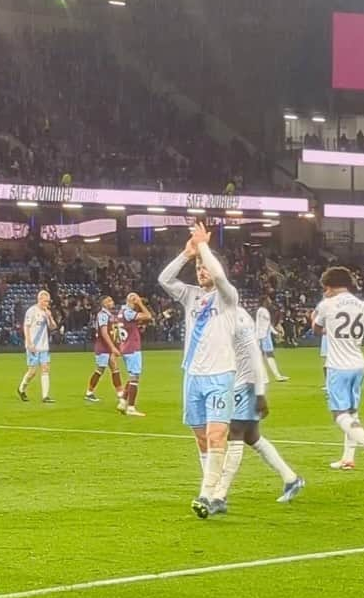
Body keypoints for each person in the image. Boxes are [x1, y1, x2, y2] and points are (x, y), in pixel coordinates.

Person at [158, 222, 238, 518]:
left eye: (205, 268)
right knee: (202, 438)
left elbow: (218, 274)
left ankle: (207, 494)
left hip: (220, 375)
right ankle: (217, 493)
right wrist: (186, 254)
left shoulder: (228, 296)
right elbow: (164, 279)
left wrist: (203, 246)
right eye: (198, 269)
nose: (202, 272)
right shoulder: (191, 295)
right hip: (192, 376)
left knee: (217, 434)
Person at [207, 306, 305, 514]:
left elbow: (255, 357)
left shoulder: (239, 320)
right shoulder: (222, 317)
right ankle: (291, 478)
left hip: (247, 384)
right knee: (252, 437)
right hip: (237, 382)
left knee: (234, 433)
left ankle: (219, 495)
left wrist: (260, 394)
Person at [313, 267, 364, 473]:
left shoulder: (326, 305)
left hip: (338, 366)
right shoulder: (363, 306)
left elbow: (316, 330)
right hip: (359, 365)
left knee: (339, 415)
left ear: (328, 287)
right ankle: (348, 459)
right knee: (352, 413)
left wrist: (317, 317)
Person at [116, 292, 153, 418]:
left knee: (132, 376)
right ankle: (131, 407)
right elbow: (148, 316)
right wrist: (141, 304)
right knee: (135, 378)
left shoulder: (121, 312)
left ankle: (123, 401)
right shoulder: (128, 312)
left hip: (125, 347)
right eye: (135, 300)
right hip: (132, 348)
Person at [18, 289, 57, 403]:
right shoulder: (31, 311)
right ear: (39, 299)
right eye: (45, 301)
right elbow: (26, 326)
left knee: (45, 368)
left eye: (48, 301)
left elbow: (53, 327)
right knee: (32, 372)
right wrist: (29, 342)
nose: (47, 304)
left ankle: (45, 396)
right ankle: (21, 389)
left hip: (44, 346)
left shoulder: (46, 312)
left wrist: (49, 317)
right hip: (33, 345)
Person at [85, 297, 123, 403]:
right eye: (109, 301)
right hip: (103, 347)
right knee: (100, 369)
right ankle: (89, 392)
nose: (112, 302)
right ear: (103, 304)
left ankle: (120, 393)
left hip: (108, 347)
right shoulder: (102, 315)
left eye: (111, 300)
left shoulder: (110, 315)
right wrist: (112, 347)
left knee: (114, 368)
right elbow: (104, 332)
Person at [256, 298, 288, 382]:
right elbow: (262, 325)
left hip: (264, 335)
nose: (270, 302)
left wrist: (275, 333)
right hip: (263, 336)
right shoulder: (262, 311)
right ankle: (269, 376)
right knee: (266, 355)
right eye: (268, 300)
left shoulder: (263, 311)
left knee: (264, 356)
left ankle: (271, 376)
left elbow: (267, 324)